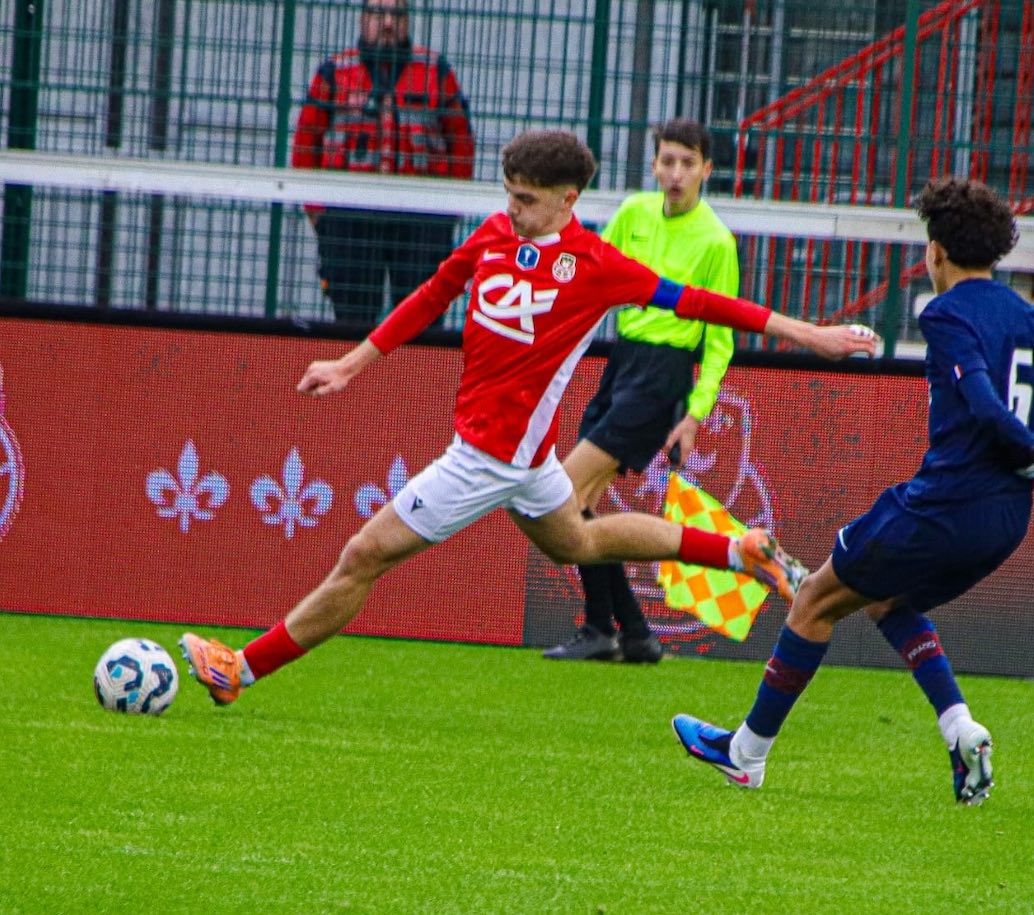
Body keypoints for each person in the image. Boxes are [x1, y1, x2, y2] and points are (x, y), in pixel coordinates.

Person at [179, 129, 880, 707]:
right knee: (580, 540)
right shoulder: (490, 236)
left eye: (527, 200)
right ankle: (738, 550)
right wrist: (351, 362)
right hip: (531, 460)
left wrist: (811, 334)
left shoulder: (598, 265)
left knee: (363, 555)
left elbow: (704, 304)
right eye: (509, 195)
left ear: (568, 199)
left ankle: (239, 668)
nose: (512, 209)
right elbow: (430, 296)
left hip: (489, 458)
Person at [672, 176, 1034, 804]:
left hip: (942, 506)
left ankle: (745, 754)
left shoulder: (944, 313)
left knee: (811, 600)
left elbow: (980, 402)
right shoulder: (1033, 319)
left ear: (935, 252)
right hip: (1004, 521)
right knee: (887, 603)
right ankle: (960, 728)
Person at [543, 118, 739, 665]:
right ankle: (624, 631)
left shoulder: (717, 241)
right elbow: (590, 279)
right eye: (667, 161)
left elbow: (719, 342)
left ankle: (611, 628)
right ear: (654, 165)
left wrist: (696, 413)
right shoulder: (632, 213)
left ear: (706, 171)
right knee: (579, 505)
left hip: (662, 376)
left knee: (565, 494)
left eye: (687, 163)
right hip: (621, 361)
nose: (676, 174)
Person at [291, 0, 474, 325]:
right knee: (352, 321)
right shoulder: (334, 72)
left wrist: (450, 209)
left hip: (422, 217)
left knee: (423, 319)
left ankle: (419, 378)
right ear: (363, 19)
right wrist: (318, 211)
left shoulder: (435, 71)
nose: (388, 23)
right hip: (349, 214)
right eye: (378, 14)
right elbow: (307, 141)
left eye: (397, 15)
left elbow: (460, 141)